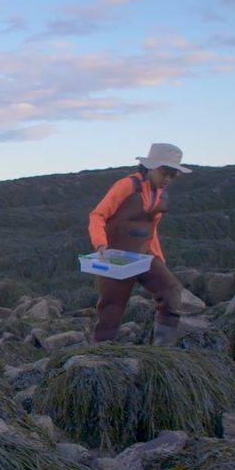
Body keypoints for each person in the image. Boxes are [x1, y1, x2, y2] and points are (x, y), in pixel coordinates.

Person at [88, 143, 191, 345]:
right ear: (150, 167)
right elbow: (97, 215)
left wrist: (159, 259)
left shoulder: (162, 194)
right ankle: (100, 354)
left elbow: (152, 231)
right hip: (115, 257)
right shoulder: (126, 186)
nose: (168, 179)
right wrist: (100, 244)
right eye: (164, 172)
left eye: (173, 174)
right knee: (112, 309)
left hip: (144, 255)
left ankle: (163, 347)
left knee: (171, 291)